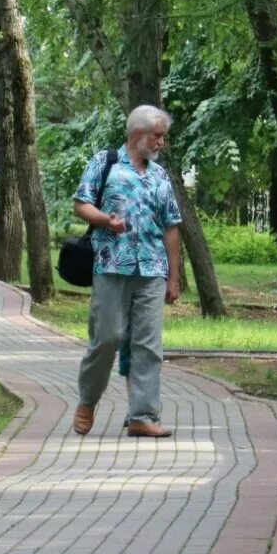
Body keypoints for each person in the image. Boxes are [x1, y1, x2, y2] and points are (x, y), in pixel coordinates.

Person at [71, 104, 182, 438]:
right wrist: (106, 220)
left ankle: (143, 416)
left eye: (163, 136)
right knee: (106, 339)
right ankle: (88, 400)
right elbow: (81, 203)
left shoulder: (161, 175)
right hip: (110, 265)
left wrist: (174, 276)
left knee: (148, 345)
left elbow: (172, 225)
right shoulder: (104, 163)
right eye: (157, 136)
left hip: (152, 270)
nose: (162, 142)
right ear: (138, 134)